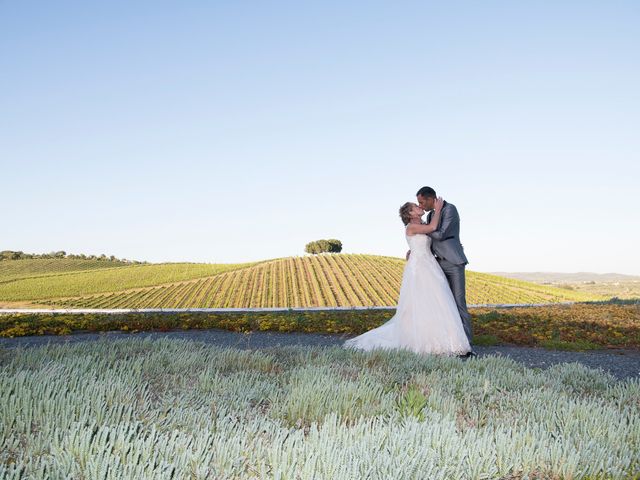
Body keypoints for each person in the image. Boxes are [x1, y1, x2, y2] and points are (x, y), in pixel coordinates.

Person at [344, 198, 472, 356]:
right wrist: (438, 209)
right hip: (419, 268)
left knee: (436, 302)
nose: (419, 206)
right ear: (410, 214)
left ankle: (444, 338)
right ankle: (422, 339)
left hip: (430, 264)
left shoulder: (424, 223)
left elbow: (435, 237)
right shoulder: (411, 227)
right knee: (422, 303)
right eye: (415, 206)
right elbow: (433, 228)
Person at [415, 187, 474, 354]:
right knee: (445, 306)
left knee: (459, 302)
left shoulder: (450, 209)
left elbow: (440, 235)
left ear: (430, 198)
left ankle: (467, 346)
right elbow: (430, 239)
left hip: (454, 263)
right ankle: (451, 343)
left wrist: (425, 228)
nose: (421, 205)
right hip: (437, 264)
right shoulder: (431, 215)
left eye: (421, 202)